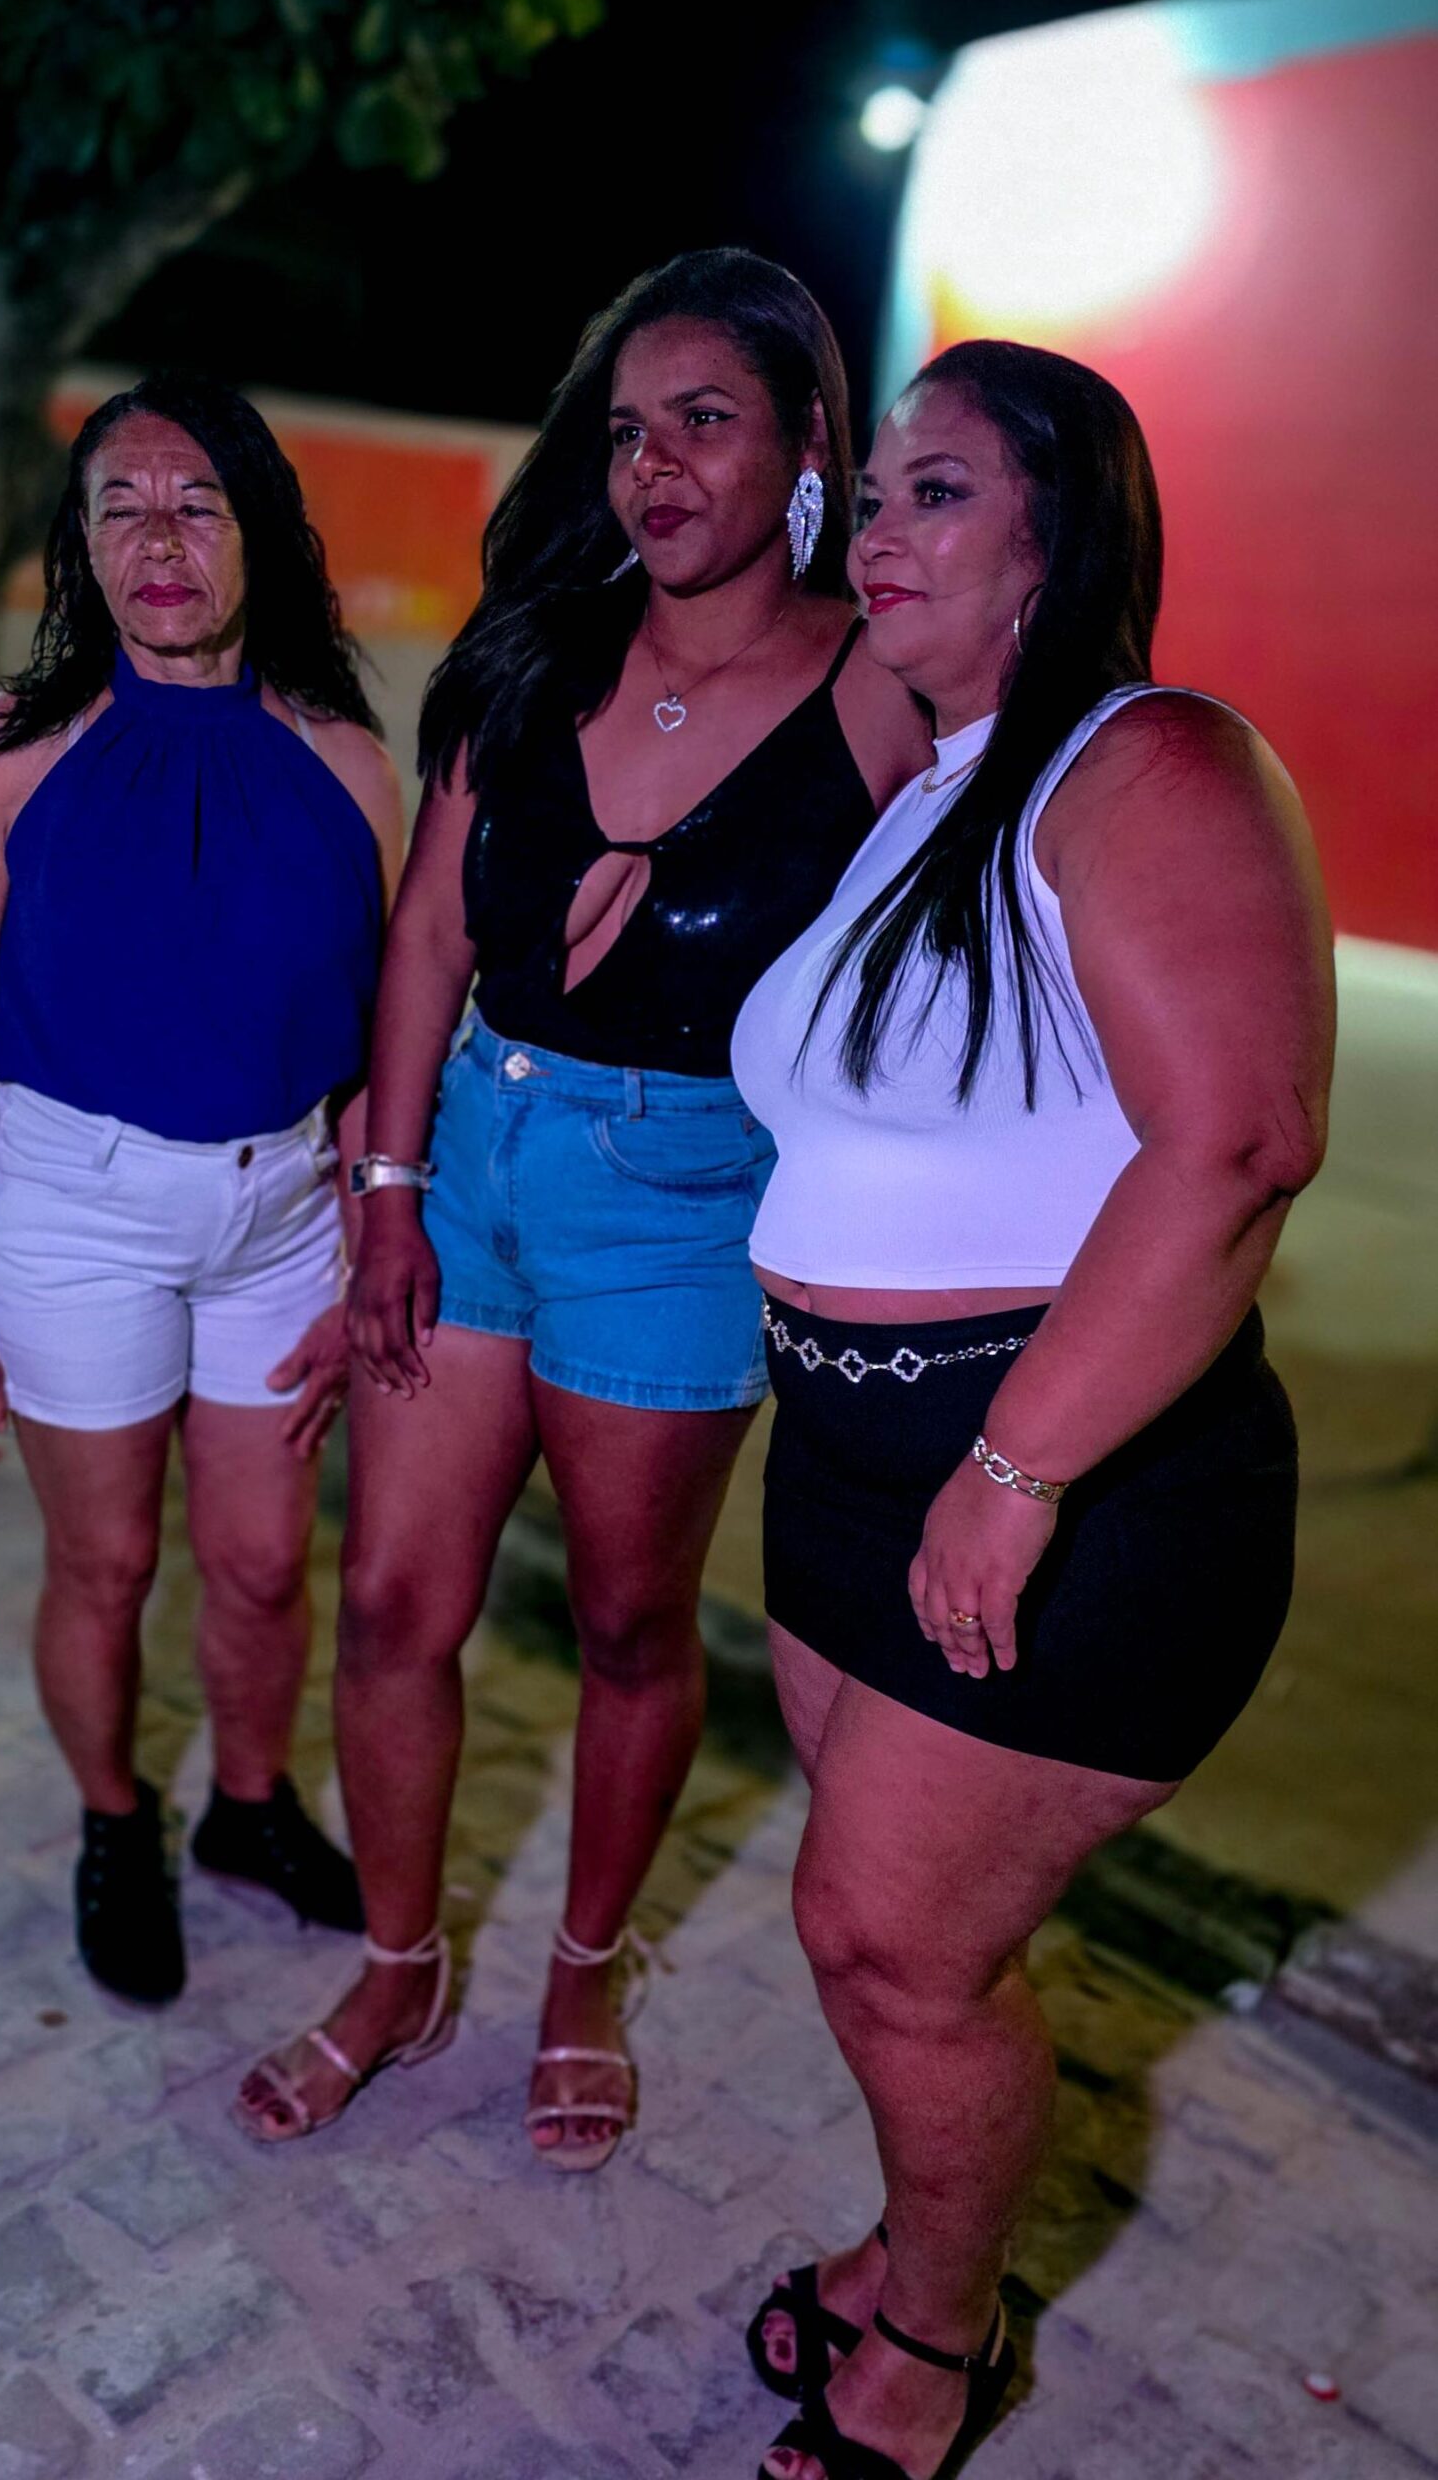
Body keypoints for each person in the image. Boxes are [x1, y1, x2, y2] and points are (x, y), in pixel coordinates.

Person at [232, 249, 930, 2163]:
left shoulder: (882, 689)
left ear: (808, 443)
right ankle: (398, 1965)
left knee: (630, 1621)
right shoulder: (536, 649)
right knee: (395, 1601)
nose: (655, 468)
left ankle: (583, 1969)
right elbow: (429, 935)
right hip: (472, 1154)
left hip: (686, 1201)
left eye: (705, 421)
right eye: (629, 433)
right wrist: (385, 1189)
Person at [728, 339, 1333, 2479]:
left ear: (1056, 536)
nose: (876, 534)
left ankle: (934, 2342)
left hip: (1068, 1479)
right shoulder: (937, 788)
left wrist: (1013, 1467)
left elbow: (1240, 1140)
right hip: (854, 1462)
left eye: (938, 491)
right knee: (908, 1943)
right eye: (872, 493)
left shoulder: (1147, 760)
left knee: (882, 1942)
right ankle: (928, 2242)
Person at [0, 372, 403, 2006]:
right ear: (81, 549)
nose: (159, 538)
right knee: (108, 1562)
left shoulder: (347, 761)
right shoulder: (2, 754)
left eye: (196, 503)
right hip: (74, 1210)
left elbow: (377, 1048)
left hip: (282, 1217)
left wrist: (366, 1243)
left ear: (261, 533)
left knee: (261, 1563)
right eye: (119, 507)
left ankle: (246, 1809)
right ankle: (116, 1819)